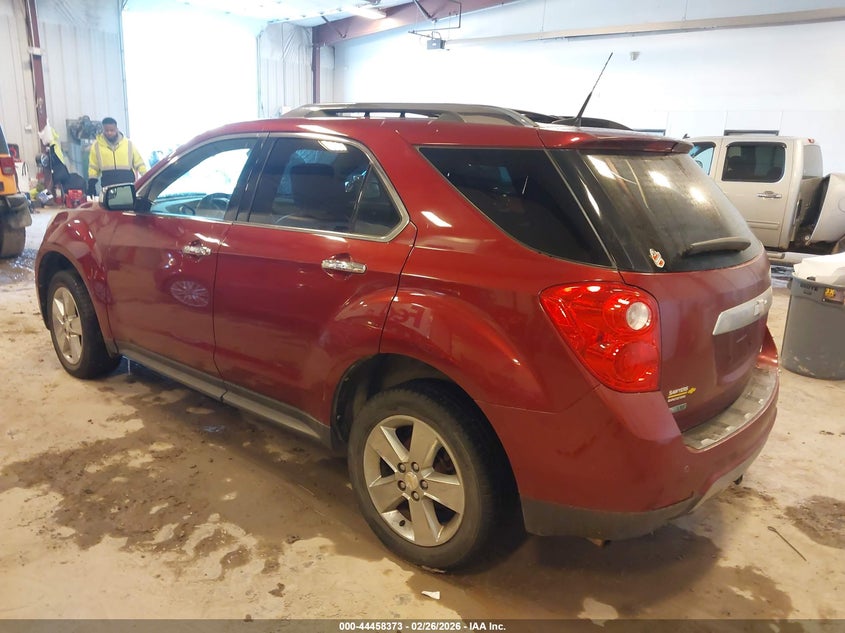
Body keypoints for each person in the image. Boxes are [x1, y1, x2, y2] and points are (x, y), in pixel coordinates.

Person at [87, 117, 147, 196]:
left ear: (117, 129)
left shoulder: (128, 144)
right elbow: (93, 167)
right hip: (108, 187)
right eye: (106, 130)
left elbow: (139, 163)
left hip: (128, 186)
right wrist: (91, 184)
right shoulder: (96, 146)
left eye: (112, 130)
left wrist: (147, 178)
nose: (109, 133)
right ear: (103, 130)